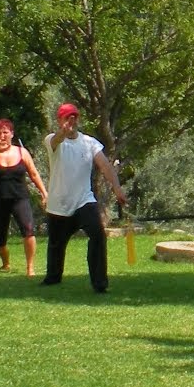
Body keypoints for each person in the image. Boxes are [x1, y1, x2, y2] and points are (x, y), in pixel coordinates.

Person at [40, 102, 127, 293]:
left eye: (74, 117)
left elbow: (105, 166)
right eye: (67, 117)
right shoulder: (52, 141)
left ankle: (100, 284)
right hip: (59, 203)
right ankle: (53, 277)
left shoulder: (90, 143)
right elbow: (56, 140)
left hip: (83, 201)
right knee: (56, 244)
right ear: (59, 120)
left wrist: (117, 188)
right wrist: (63, 132)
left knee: (97, 235)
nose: (72, 120)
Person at [0, 118, 48, 276]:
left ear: (12, 134)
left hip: (20, 198)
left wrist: (44, 192)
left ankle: (30, 267)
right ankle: (5, 263)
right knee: (0, 239)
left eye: (6, 132)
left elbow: (33, 173)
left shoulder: (22, 152)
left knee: (28, 231)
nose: (3, 136)